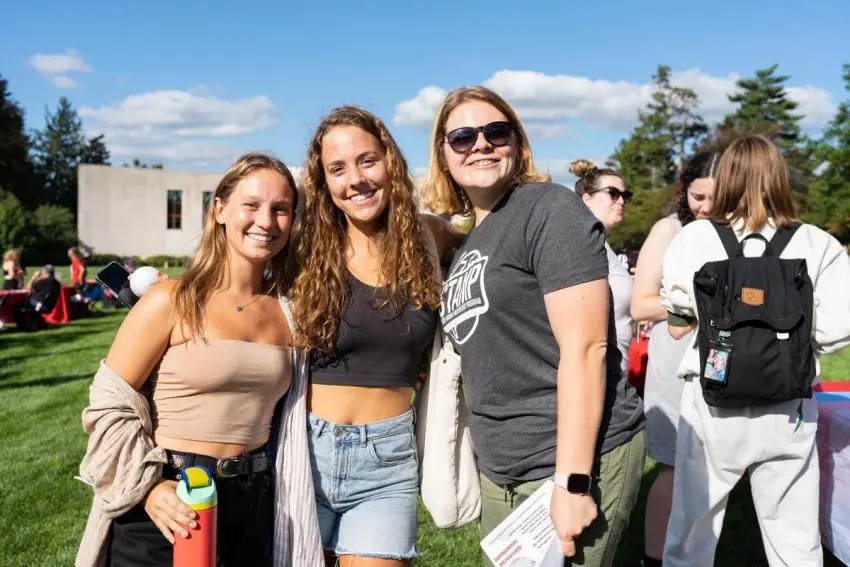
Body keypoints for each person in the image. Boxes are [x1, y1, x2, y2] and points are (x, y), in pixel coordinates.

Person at [422, 85, 645, 567]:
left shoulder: (547, 208)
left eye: (495, 132)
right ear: (443, 156)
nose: (480, 144)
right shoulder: (473, 239)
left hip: (573, 460)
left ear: (517, 143)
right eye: (461, 137)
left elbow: (587, 348)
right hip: (503, 470)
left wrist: (573, 483)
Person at [75, 152, 322, 567]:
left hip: (256, 503)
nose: (266, 220)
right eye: (252, 205)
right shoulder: (169, 300)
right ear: (220, 209)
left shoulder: (292, 311)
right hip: (173, 499)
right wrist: (149, 489)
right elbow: (108, 404)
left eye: (281, 209)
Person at [661, 135, 850, 566]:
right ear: (779, 177)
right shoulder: (817, 243)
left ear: (725, 177)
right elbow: (840, 326)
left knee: (693, 527)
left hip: (713, 396)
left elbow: (677, 308)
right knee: (794, 535)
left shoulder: (695, 239)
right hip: (788, 402)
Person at [290, 106, 460, 567]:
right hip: (303, 455)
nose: (356, 180)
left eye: (367, 160)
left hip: (388, 462)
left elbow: (493, 247)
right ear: (323, 183)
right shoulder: (303, 249)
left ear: (390, 161)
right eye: (337, 169)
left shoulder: (432, 239)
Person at [629, 150, 720, 567]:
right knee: (673, 466)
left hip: (722, 363)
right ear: (686, 191)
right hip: (675, 363)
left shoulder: (735, 231)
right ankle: (654, 558)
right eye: (698, 196)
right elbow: (642, 304)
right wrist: (704, 307)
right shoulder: (669, 230)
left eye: (715, 198)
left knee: (716, 465)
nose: (705, 207)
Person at [571, 158, 633, 380]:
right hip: (594, 379)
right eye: (613, 193)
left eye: (625, 195)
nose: (621, 201)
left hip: (616, 377)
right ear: (586, 199)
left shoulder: (605, 248)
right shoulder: (577, 246)